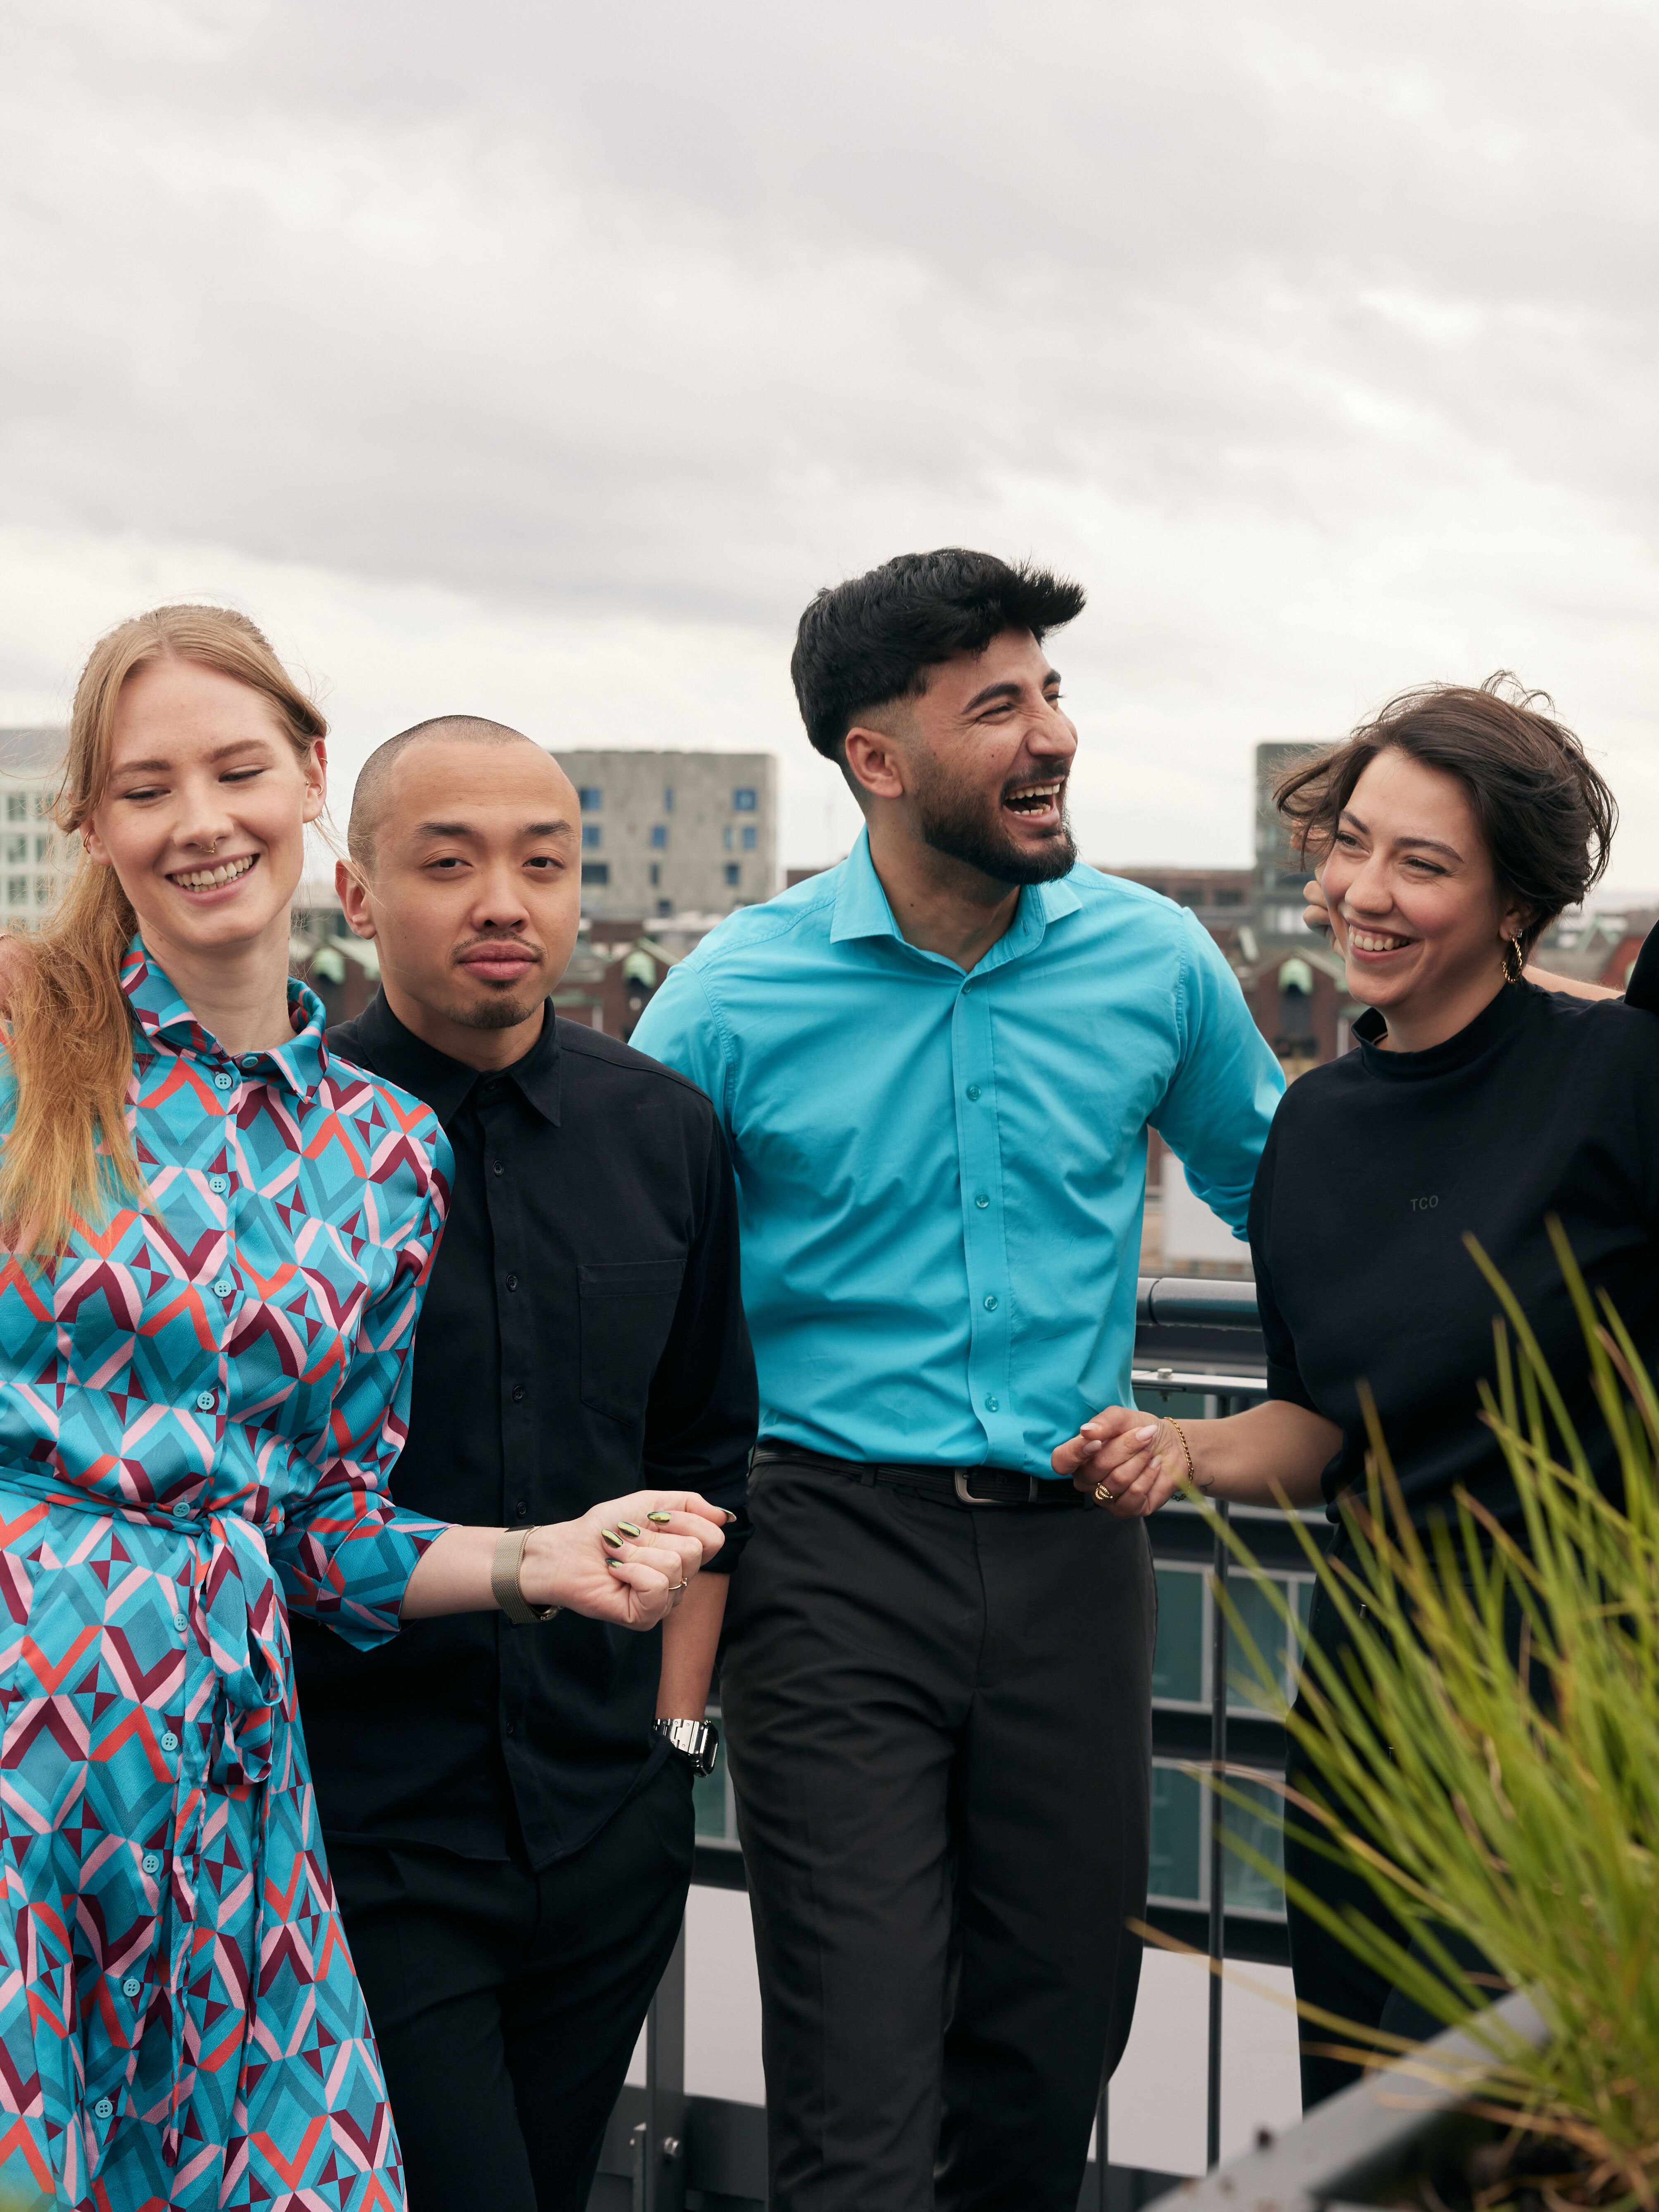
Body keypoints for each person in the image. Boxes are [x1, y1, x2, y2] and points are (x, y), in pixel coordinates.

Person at [0, 608, 726, 2212]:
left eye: (237, 770)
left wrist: (540, 1560)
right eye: (145, 790)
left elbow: (322, 1527)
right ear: (94, 827)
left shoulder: (387, 1153)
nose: (201, 822)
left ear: (309, 777)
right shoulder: (22, 1054)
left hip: (226, 1775)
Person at [631, 548, 1286, 2212]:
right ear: (876, 757)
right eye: (997, 705)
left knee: (1051, 2055)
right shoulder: (729, 995)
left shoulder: (1154, 961)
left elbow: (1296, 1204)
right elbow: (617, 1270)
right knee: (857, 2084)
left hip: (1077, 1554)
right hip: (826, 1557)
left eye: (1051, 693)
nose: (1050, 733)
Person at [1054, 676, 1659, 2107]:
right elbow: (1324, 1424)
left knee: (1515, 2131)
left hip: (1588, 1703)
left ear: (1517, 904)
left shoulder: (1626, 1078)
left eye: (1423, 863)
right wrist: (1181, 1447)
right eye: (1351, 844)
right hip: (1372, 1706)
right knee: (1361, 2110)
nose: (1364, 893)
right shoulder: (1315, 1126)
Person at [289, 715, 757, 2212]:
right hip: (363, 1835)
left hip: (606, 1826)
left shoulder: (665, 1132)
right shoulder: (286, 1145)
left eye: (543, 864)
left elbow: (706, 1457)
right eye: (450, 864)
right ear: (357, 896)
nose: (504, 901)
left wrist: (675, 1761)